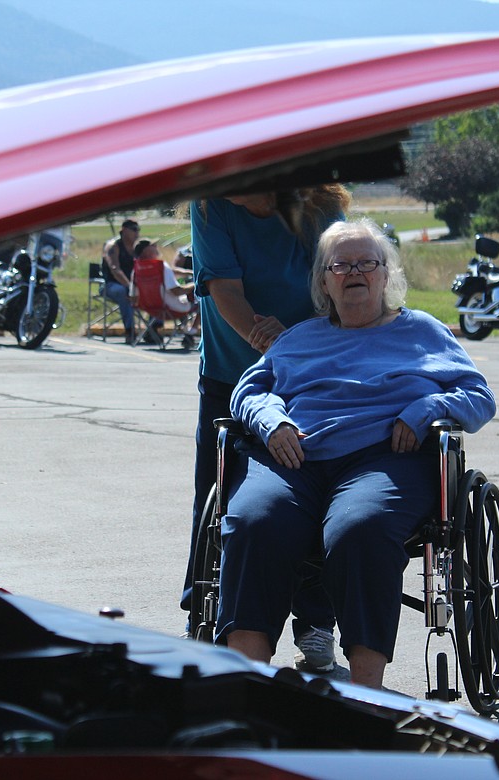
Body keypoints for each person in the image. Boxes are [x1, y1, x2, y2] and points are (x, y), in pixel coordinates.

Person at [218, 219, 496, 689]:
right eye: (341, 264)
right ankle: (244, 689)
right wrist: (272, 422)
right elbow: (250, 391)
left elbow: (478, 395)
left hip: (386, 459)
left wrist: (429, 406)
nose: (355, 273)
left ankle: (366, 693)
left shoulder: (423, 332)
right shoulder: (300, 337)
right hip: (295, 459)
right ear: (324, 281)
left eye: (368, 262)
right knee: (253, 522)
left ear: (386, 275)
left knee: (359, 528)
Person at [186, 186, 350, 672]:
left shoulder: (319, 206)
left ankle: (316, 621)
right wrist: (265, 340)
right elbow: (224, 290)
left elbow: (338, 289)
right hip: (230, 369)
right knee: (216, 492)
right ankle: (206, 607)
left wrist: (295, 347)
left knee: (311, 485)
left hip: (310, 373)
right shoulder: (211, 206)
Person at [132, 240, 199, 336]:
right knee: (203, 299)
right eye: (153, 245)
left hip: (149, 308)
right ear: (146, 251)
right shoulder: (161, 266)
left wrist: (188, 273)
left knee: (187, 298)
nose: (156, 246)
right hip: (171, 308)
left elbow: (133, 296)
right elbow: (177, 291)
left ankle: (185, 331)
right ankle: (192, 331)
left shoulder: (136, 269)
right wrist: (196, 284)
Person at [101, 219, 140, 344]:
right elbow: (115, 269)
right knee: (124, 292)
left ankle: (154, 328)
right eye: (134, 229)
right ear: (124, 230)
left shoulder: (136, 248)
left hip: (133, 285)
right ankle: (130, 330)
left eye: (138, 229)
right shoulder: (113, 246)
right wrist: (130, 287)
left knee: (155, 288)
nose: (137, 233)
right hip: (110, 285)